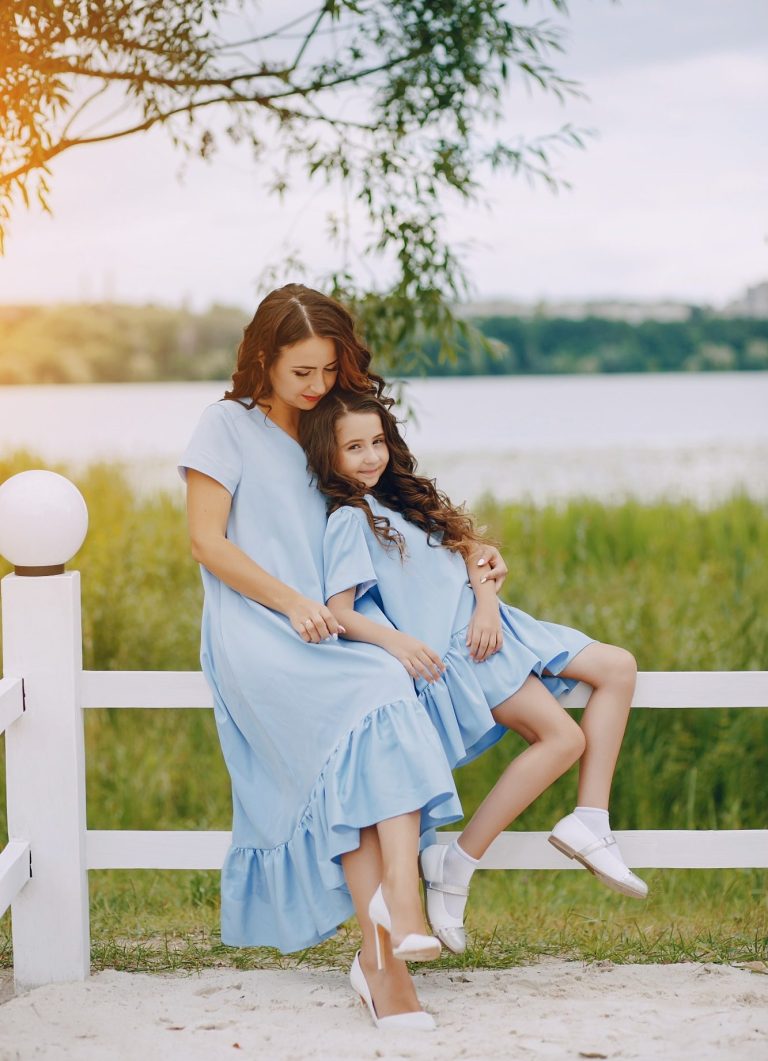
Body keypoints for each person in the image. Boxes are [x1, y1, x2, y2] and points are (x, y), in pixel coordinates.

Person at [179, 284, 508, 1029]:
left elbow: (397, 506)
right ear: (264, 357)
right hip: (258, 629)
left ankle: (387, 948)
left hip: (338, 628)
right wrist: (290, 601)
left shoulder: (335, 422)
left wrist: (468, 550)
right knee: (376, 696)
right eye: (302, 371)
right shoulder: (224, 425)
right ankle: (393, 931)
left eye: (328, 369)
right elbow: (207, 541)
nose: (318, 385)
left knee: (382, 697)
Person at [299, 389, 647, 956]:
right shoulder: (348, 520)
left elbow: (470, 557)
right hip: (463, 655)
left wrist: (486, 603)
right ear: (328, 456)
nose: (370, 457)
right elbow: (340, 610)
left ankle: (589, 817)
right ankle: (456, 864)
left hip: (493, 626)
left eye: (377, 442)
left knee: (617, 667)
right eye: (353, 447)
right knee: (562, 737)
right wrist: (398, 641)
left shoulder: (404, 503)